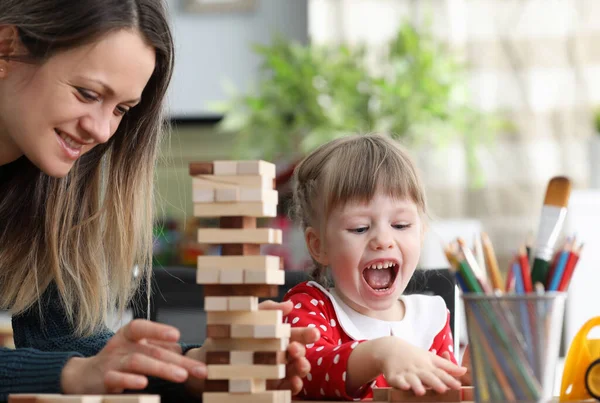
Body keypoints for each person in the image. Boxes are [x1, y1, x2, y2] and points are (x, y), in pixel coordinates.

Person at [0, 1, 318, 401]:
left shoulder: (45, 187)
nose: (101, 130)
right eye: (86, 93)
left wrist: (196, 368)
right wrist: (73, 373)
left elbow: (59, 340)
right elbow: (70, 366)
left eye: (121, 109)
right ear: (7, 47)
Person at [283, 134, 471, 401]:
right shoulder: (310, 306)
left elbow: (438, 393)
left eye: (401, 225)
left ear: (421, 233)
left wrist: (466, 381)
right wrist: (380, 353)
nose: (383, 240)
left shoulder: (432, 318)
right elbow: (304, 371)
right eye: (359, 228)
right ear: (319, 245)